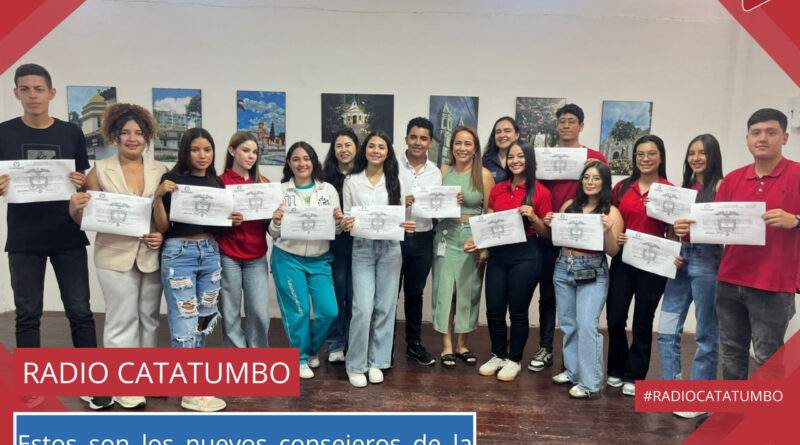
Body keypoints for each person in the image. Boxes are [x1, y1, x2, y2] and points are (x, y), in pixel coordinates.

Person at [0, 63, 111, 410]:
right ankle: (30, 387)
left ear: (51, 93)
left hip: (67, 232)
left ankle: (92, 385)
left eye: (38, 88)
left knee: (80, 311)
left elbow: (83, 180)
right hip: (23, 236)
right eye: (25, 89)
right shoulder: (3, 133)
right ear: (16, 93)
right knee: (27, 314)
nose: (32, 95)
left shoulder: (71, 133)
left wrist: (82, 183)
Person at [674, 108, 799, 382]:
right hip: (729, 280)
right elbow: (714, 225)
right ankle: (733, 414)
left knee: (768, 357)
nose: (762, 138)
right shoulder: (732, 179)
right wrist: (688, 229)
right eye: (756, 133)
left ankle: (769, 421)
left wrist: (796, 220)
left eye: (771, 132)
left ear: (785, 137)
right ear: (747, 139)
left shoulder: (797, 174)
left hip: (773, 285)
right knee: (732, 353)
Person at [67, 103, 167, 410]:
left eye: (138, 132)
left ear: (147, 137)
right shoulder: (99, 170)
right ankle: (124, 386)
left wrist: (160, 234)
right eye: (125, 132)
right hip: (113, 255)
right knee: (121, 319)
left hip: (150, 254)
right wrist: (75, 204)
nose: (132, 138)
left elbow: (164, 218)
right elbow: (85, 217)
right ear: (114, 137)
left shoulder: (160, 170)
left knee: (149, 319)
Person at [153, 127, 242, 412]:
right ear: (185, 152)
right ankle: (189, 391)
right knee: (184, 323)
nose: (202, 155)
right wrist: (157, 197)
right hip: (179, 253)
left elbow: (215, 227)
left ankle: (194, 384)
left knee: (204, 320)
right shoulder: (172, 180)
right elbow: (163, 227)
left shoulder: (217, 184)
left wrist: (233, 221)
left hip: (210, 253)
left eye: (207, 149)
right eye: (195, 150)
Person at [529, 103, 609, 373]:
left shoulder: (595, 157)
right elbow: (537, 188)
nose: (565, 126)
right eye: (561, 121)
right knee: (550, 295)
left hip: (583, 243)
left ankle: (575, 363)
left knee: (580, 311)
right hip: (549, 232)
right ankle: (546, 347)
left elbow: (604, 189)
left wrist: (592, 167)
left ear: (581, 126)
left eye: (571, 121)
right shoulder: (545, 156)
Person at [472, 143, 553, 382]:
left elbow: (547, 234)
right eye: (511, 157)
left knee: (517, 311)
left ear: (530, 161)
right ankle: (498, 354)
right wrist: (483, 246)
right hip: (498, 254)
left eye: (520, 156)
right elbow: (488, 219)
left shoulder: (541, 192)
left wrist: (533, 216)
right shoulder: (498, 189)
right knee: (494, 308)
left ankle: (514, 359)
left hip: (527, 255)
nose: (515, 160)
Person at [657, 134, 723, 419]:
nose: (696, 158)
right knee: (667, 328)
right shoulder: (683, 189)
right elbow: (672, 230)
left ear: (713, 156)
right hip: (680, 262)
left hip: (708, 262)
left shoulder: (721, 186)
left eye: (702, 153)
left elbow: (727, 229)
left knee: (707, 334)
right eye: (691, 152)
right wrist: (673, 241)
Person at [342, 132, 416, 387]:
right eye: (371, 146)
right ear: (365, 151)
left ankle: (377, 361)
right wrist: (345, 222)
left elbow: (401, 217)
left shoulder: (396, 180)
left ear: (388, 152)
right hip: (361, 249)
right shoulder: (351, 181)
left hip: (390, 249)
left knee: (385, 308)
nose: (376, 150)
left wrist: (407, 224)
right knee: (362, 308)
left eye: (381, 147)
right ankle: (355, 364)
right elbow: (346, 221)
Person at [544, 161, 622, 398]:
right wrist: (550, 224)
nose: (590, 182)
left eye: (596, 178)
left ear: (605, 182)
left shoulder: (611, 212)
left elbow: (613, 252)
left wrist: (608, 230)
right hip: (563, 267)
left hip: (593, 270)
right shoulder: (569, 205)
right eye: (586, 177)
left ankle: (591, 383)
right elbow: (555, 239)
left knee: (587, 325)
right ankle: (573, 371)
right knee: (569, 323)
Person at [606, 135, 675, 397]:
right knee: (614, 318)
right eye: (640, 154)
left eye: (651, 154)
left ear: (660, 157)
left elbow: (675, 232)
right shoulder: (622, 188)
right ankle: (616, 368)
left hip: (654, 266)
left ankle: (636, 375)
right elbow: (612, 220)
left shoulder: (669, 190)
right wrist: (617, 235)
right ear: (635, 158)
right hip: (623, 260)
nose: (645, 159)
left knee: (643, 322)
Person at [269, 141, 342, 380]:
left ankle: (310, 350)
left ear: (314, 162)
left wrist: (340, 221)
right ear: (289, 163)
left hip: (320, 259)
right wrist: (277, 220)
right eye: (296, 159)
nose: (302, 163)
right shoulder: (280, 191)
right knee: (298, 311)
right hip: (288, 258)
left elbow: (337, 230)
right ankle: (299, 358)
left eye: (307, 158)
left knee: (329, 310)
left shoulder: (328, 190)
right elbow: (272, 232)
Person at [432, 126, 494, 368]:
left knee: (468, 292)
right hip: (446, 236)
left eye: (468, 144)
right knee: (446, 291)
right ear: (452, 146)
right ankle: (447, 346)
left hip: (472, 238)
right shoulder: (443, 171)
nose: (462, 148)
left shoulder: (484, 175)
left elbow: (489, 211)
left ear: (475, 148)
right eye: (458, 143)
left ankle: (462, 344)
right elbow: (432, 206)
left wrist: (484, 245)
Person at [216, 132, 271, 349]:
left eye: (255, 152)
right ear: (232, 151)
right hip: (227, 254)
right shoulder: (219, 183)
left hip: (256, 256)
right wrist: (228, 221)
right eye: (245, 150)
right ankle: (236, 360)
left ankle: (258, 358)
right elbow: (210, 224)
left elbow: (271, 228)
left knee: (258, 311)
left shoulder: (264, 184)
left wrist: (275, 217)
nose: (251, 156)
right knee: (229, 311)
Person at [398, 117, 441, 366]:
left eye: (423, 138)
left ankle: (413, 344)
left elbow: (439, 206)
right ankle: (385, 346)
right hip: (395, 237)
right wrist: (401, 202)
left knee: (415, 294)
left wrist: (450, 201)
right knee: (389, 294)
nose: (418, 142)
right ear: (406, 139)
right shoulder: (391, 165)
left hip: (423, 238)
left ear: (430, 142)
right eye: (413, 137)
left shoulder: (436, 172)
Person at [322, 129, 359, 363]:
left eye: (348, 145)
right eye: (339, 146)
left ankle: (352, 341)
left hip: (360, 242)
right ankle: (335, 342)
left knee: (356, 296)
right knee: (337, 293)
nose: (343, 149)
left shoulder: (366, 175)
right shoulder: (324, 178)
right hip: (334, 243)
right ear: (333, 150)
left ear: (357, 147)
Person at [482, 116, 520, 184]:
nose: (502, 135)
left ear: (517, 135)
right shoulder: (485, 161)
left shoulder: (525, 160)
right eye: (498, 132)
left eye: (507, 131)